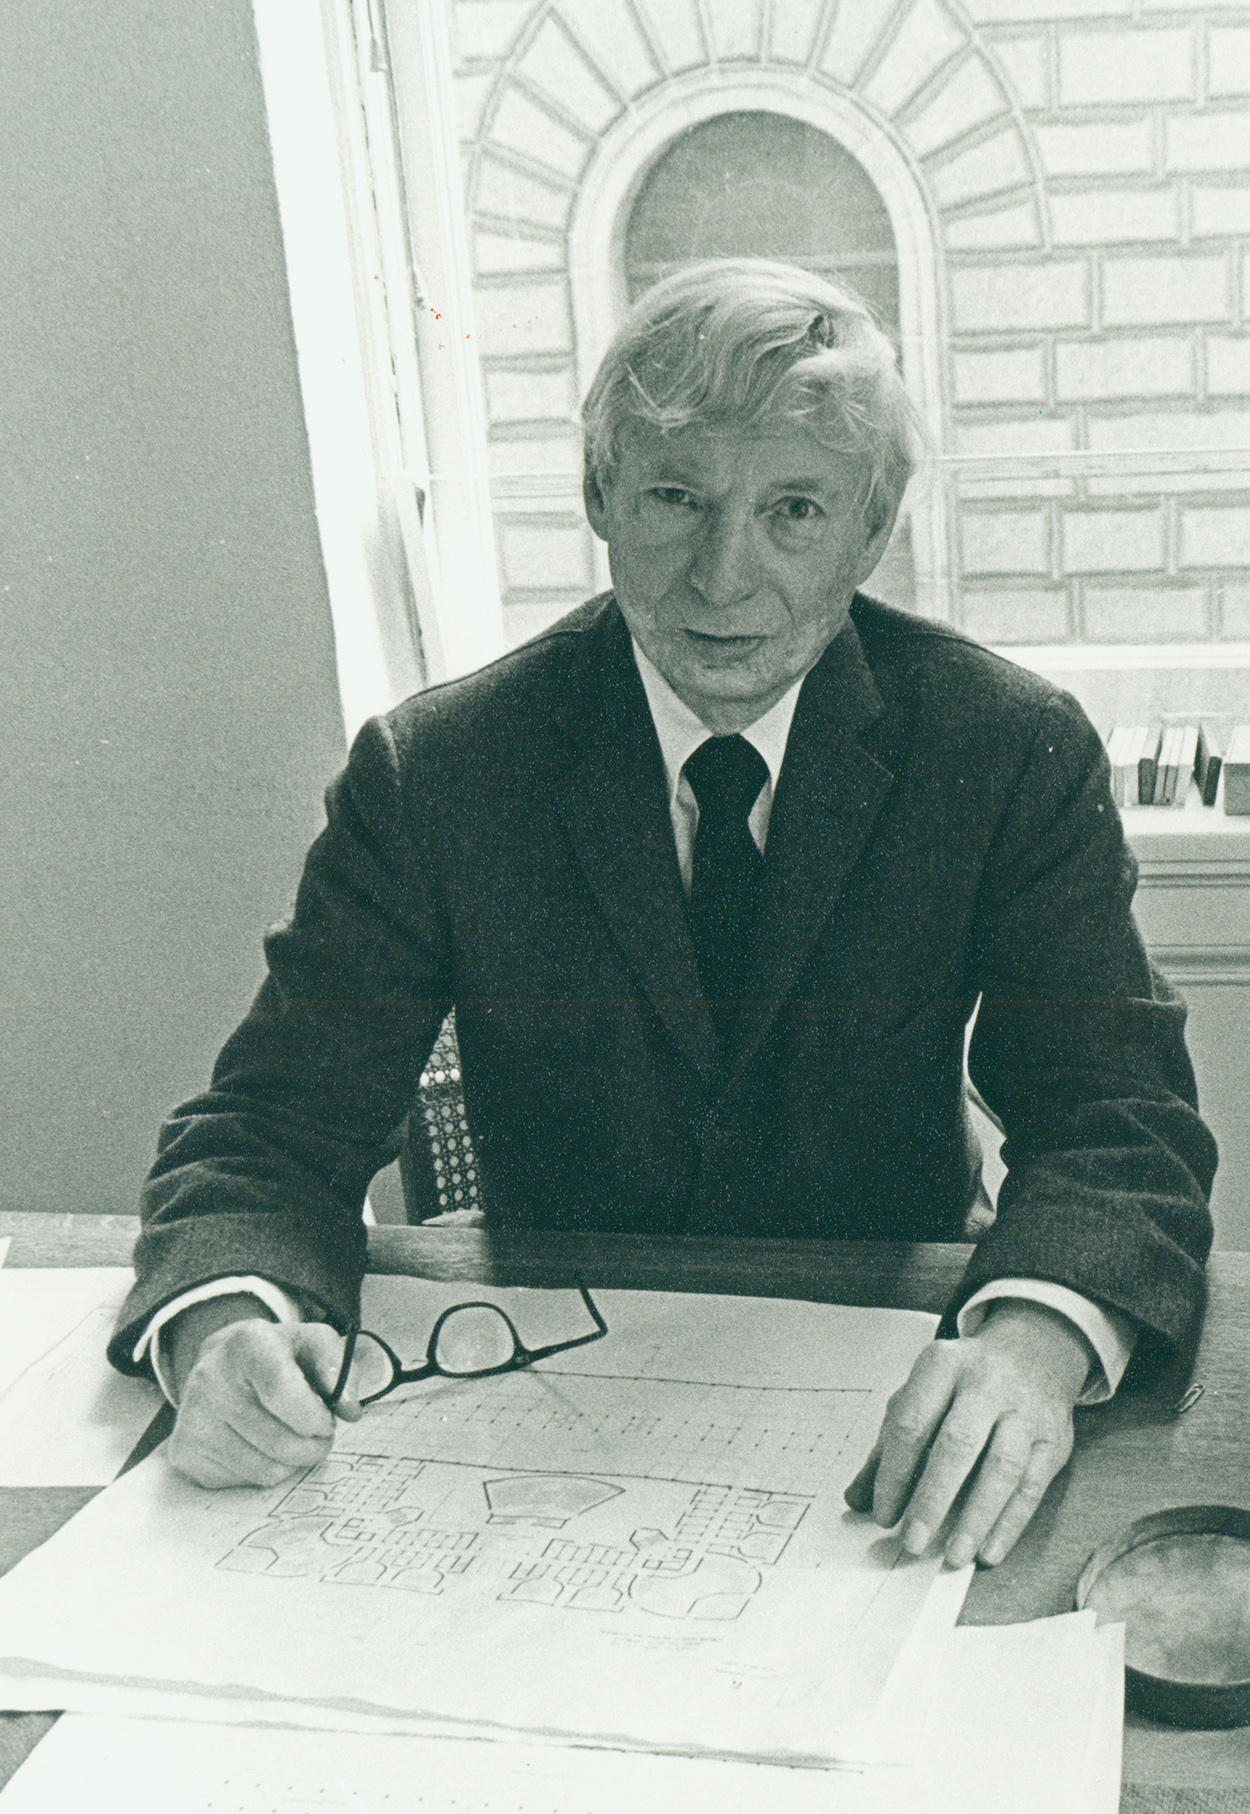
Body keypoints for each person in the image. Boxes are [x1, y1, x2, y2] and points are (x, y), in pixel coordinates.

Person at [109, 259, 1216, 1568]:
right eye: (675, 499)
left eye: (792, 510)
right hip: (541, 1387)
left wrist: (1028, 1346)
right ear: (597, 498)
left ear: (873, 528)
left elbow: (1115, 1114)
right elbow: (268, 1124)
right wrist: (222, 1321)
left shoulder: (1002, 747)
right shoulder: (441, 770)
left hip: (892, 1373)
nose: (723, 578)